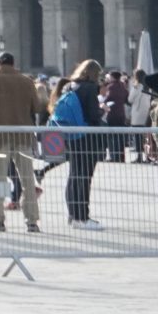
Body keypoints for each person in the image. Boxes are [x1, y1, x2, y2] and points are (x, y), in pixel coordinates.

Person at [0, 51, 42, 233]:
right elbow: (37, 107)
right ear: (14, 63)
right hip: (23, 135)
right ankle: (31, 220)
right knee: (27, 179)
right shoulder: (27, 81)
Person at [54, 59, 106, 229]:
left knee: (74, 175)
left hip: (71, 135)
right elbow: (92, 115)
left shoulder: (69, 86)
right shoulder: (90, 88)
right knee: (85, 177)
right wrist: (102, 110)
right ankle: (83, 217)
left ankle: (73, 215)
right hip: (87, 136)